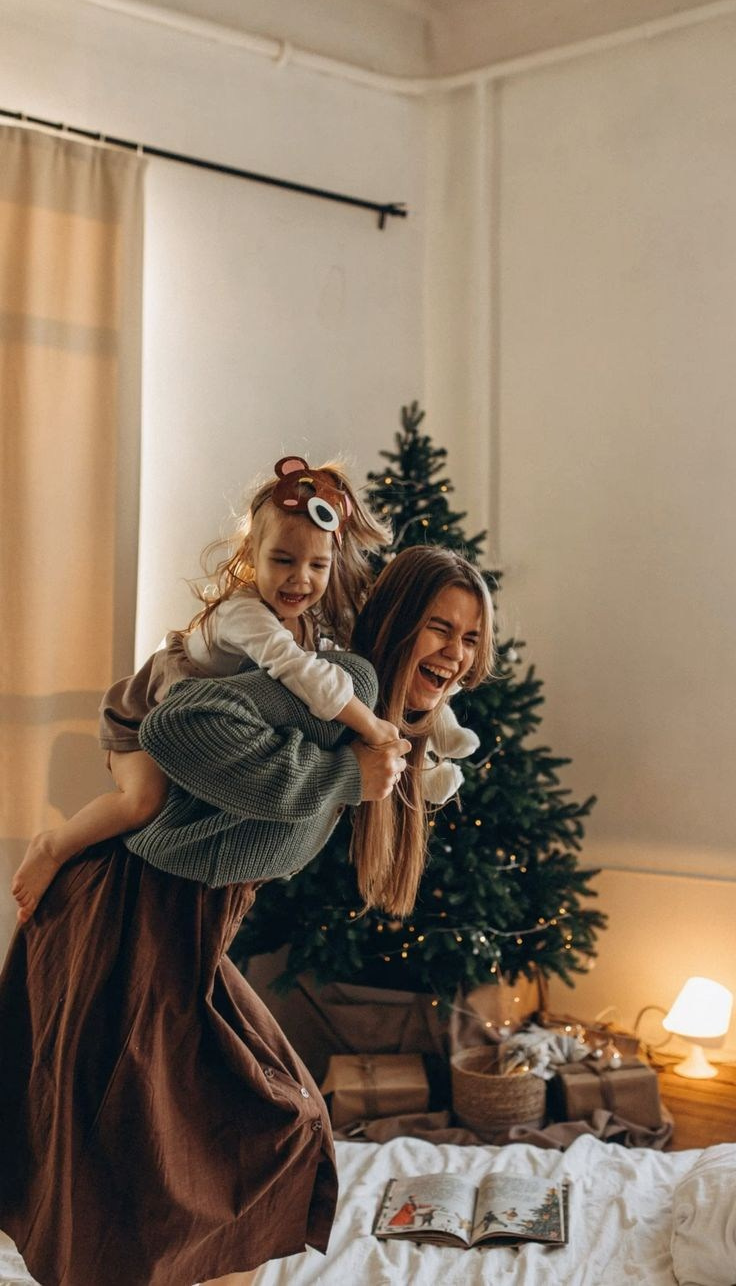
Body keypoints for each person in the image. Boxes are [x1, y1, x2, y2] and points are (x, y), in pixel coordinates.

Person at [0, 544, 494, 1286]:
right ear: (396, 625)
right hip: (127, 918)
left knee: (242, 1145)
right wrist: (338, 776)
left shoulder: (366, 716)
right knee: (198, 1152)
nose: (456, 654)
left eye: (472, 637)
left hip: (180, 930)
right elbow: (173, 728)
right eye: (439, 628)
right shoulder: (328, 687)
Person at [12, 459, 477, 923]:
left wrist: (402, 744)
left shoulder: (313, 629)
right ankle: (53, 846)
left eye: (318, 565)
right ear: (251, 555)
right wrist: (364, 742)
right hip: (142, 711)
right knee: (140, 802)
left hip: (196, 903)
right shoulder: (251, 617)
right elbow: (188, 718)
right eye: (282, 560)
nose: (301, 578)